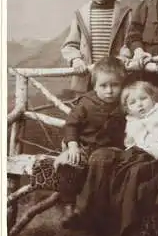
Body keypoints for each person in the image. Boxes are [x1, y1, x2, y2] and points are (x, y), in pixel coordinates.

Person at [54, 56, 127, 226]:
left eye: (114, 85)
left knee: (99, 160)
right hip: (86, 147)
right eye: (103, 86)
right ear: (94, 86)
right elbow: (71, 125)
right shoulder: (86, 103)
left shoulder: (124, 104)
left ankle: (84, 209)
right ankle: (68, 207)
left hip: (112, 149)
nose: (109, 91)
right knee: (69, 164)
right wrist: (72, 146)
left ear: (122, 85)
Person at [61, 0, 131, 93]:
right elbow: (70, 45)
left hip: (115, 79)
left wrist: (125, 56)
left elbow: (129, 42)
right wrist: (76, 59)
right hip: (88, 78)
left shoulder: (125, 13)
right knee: (88, 110)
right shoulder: (80, 14)